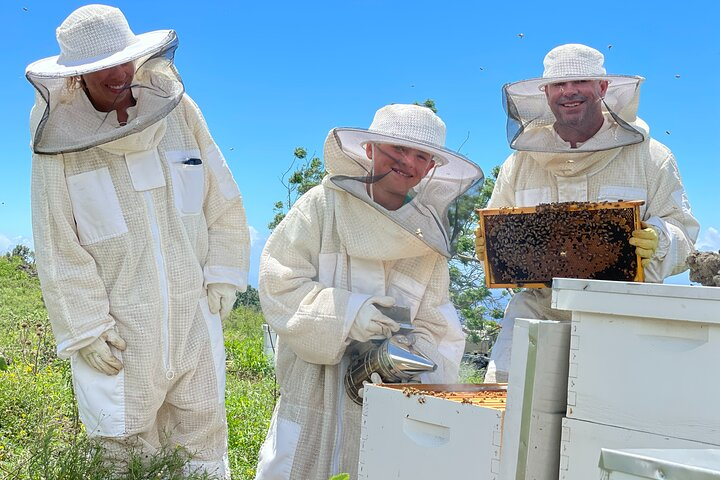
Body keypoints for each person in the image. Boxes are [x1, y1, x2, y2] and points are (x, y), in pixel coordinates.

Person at [27, 5, 250, 477]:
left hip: (193, 314)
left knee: (202, 438)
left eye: (124, 58)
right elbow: (56, 237)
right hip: (120, 330)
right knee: (120, 446)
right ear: (75, 76)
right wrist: (85, 326)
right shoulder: (58, 135)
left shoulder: (179, 109)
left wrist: (226, 272)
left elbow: (220, 192)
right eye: (100, 66)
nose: (119, 73)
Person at [255, 103, 483, 479]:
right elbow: (279, 282)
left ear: (431, 167)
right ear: (370, 149)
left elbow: (437, 323)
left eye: (420, 155)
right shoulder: (321, 205)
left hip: (388, 399)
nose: (407, 161)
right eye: (397, 148)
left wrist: (404, 360)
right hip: (313, 387)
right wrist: (349, 314)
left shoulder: (429, 241)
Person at [477, 43, 700, 383]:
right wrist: (488, 248)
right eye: (558, 84)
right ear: (546, 92)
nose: (569, 92)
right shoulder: (519, 164)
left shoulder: (651, 157)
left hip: (623, 315)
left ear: (602, 88)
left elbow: (684, 235)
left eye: (580, 81)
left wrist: (663, 240)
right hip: (538, 312)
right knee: (510, 410)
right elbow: (494, 230)